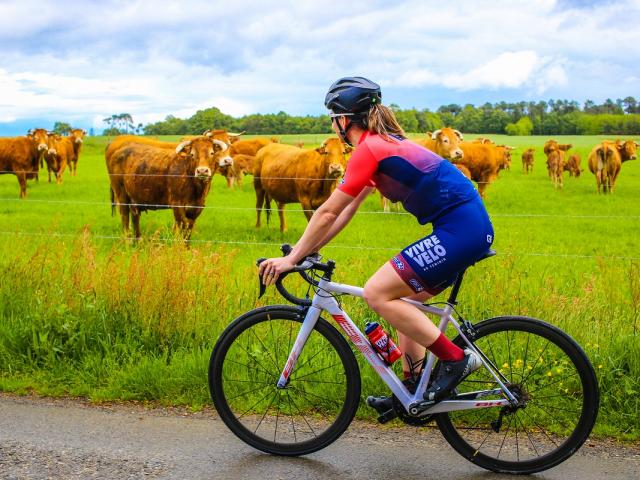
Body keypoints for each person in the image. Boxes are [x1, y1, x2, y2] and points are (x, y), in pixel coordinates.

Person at [258, 76, 494, 411]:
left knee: (377, 292)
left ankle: (456, 359)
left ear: (343, 120)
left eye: (332, 118)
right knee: (406, 301)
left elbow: (326, 212)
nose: (333, 125)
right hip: (464, 228)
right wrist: (304, 252)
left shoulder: (371, 149)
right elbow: (343, 214)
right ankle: (412, 389)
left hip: (461, 230)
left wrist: (291, 258)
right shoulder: (380, 147)